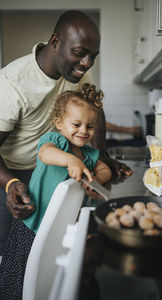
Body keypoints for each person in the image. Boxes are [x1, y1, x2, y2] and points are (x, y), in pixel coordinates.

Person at [0, 10, 133, 255]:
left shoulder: (76, 71)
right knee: (14, 250)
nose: (87, 64)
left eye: (93, 57)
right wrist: (9, 183)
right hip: (13, 174)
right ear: (55, 42)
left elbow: (96, 111)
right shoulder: (11, 83)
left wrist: (101, 155)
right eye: (80, 53)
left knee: (51, 247)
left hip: (56, 170)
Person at [0, 83, 112, 299]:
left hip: (60, 229)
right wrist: (71, 160)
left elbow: (105, 169)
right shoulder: (55, 142)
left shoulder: (89, 154)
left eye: (90, 126)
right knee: (19, 275)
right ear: (59, 123)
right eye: (77, 124)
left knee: (45, 276)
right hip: (31, 225)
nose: (83, 131)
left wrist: (98, 179)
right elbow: (45, 154)